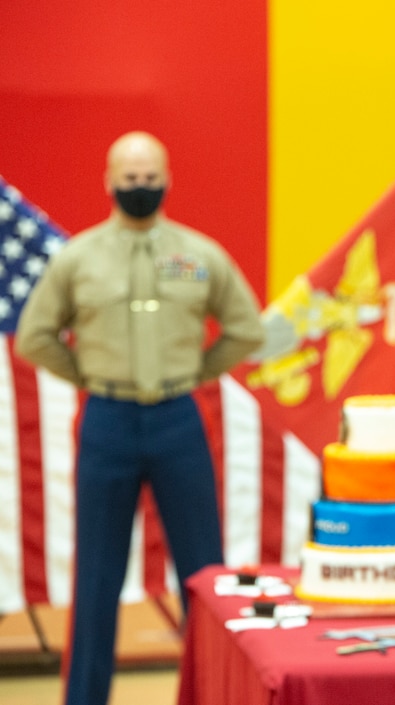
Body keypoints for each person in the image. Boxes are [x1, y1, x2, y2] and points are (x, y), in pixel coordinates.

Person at [14, 131, 264, 705]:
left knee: (204, 574)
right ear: (108, 182)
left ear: (168, 179)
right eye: (130, 179)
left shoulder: (200, 254)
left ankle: (214, 694)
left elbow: (246, 328)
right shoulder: (78, 258)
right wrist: (88, 377)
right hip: (107, 421)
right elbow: (34, 336)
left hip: (179, 418)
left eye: (150, 178)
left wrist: (197, 373)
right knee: (97, 574)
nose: (140, 188)